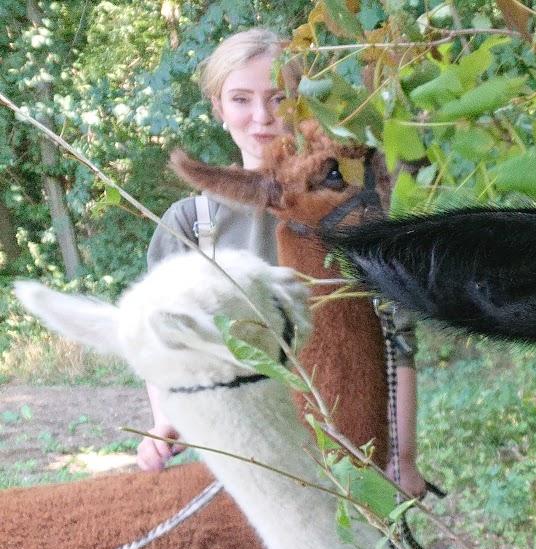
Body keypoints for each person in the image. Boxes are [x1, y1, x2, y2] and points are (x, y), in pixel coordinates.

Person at [137, 28, 427, 497]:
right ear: (218, 107)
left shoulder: (349, 208)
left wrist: (402, 458)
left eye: (277, 99)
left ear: (302, 104)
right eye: (241, 99)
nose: (261, 118)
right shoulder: (193, 223)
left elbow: (395, 336)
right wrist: (164, 421)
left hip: (341, 448)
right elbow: (163, 339)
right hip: (239, 452)